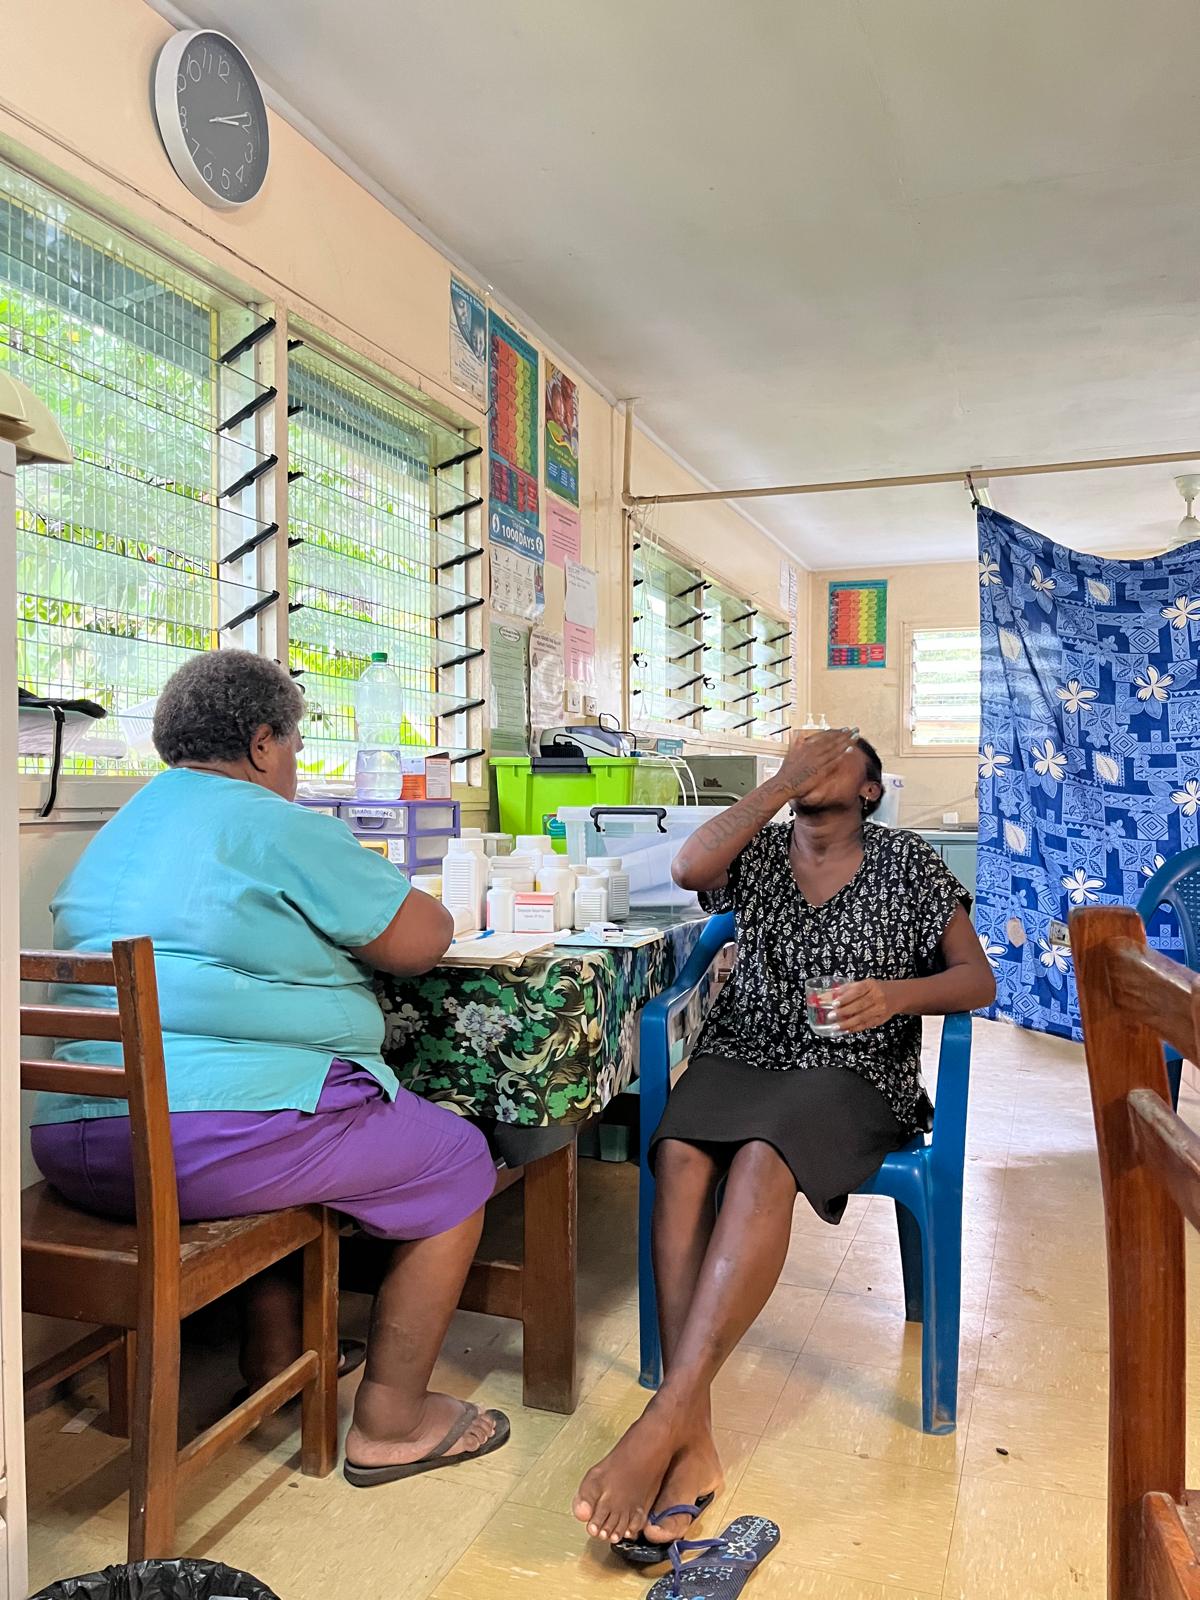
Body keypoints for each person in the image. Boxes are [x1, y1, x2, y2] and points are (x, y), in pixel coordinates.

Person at [31, 650, 508, 1487]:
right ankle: (393, 1422)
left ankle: (278, 1356)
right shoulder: (270, 822)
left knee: (289, 1128)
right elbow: (420, 939)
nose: (292, 765)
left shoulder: (121, 830)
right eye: (290, 746)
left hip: (77, 1146)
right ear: (260, 744)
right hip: (200, 1146)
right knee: (456, 1157)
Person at [573, 726, 996, 1547]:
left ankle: (662, 1419)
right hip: (744, 1052)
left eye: (834, 754)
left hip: (851, 1072)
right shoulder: (762, 849)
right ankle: (687, 1431)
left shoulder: (907, 862)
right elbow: (689, 869)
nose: (814, 758)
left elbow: (976, 978)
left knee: (764, 1158)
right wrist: (773, 787)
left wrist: (895, 996)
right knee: (680, 1152)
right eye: (803, 750)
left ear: (869, 789)